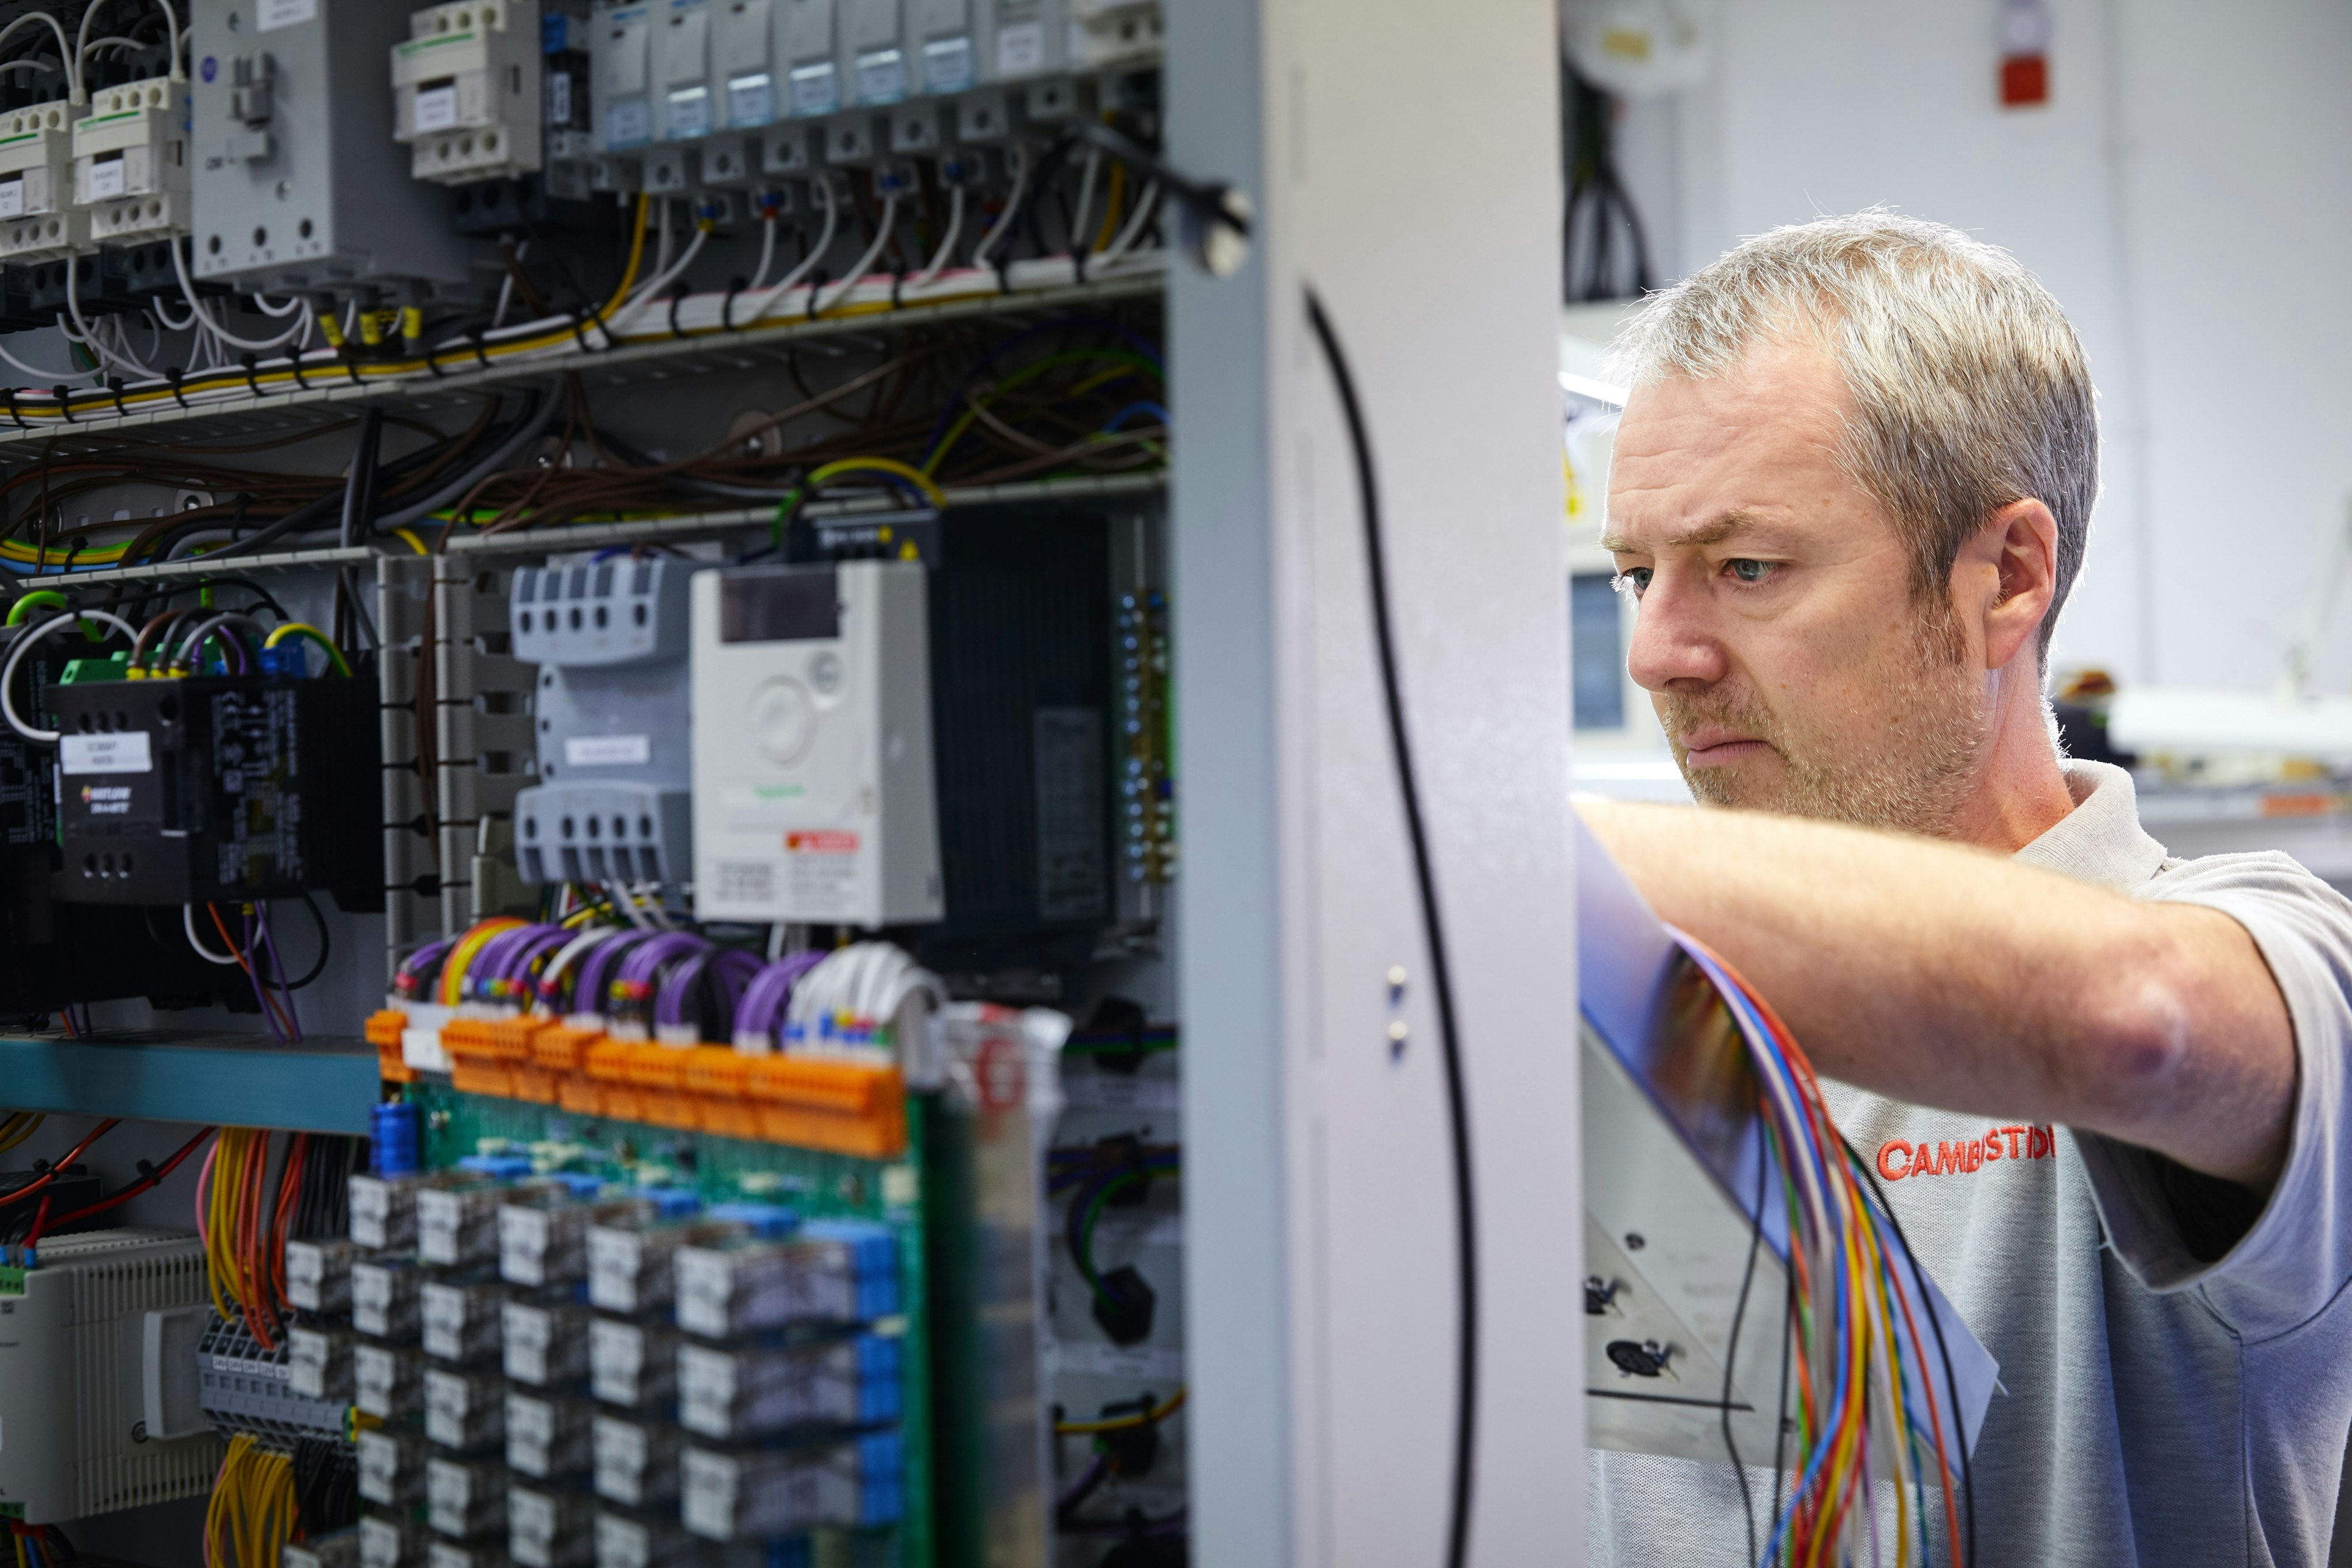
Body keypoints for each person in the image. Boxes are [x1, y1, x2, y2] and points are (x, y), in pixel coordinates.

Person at [1579, 212, 2352, 1566]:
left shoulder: (2275, 954)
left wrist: (1445, 851)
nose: (1656, 651)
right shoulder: (1615, 993)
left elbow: (2138, 1016)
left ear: (2008, 574)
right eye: (1639, 573)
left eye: (1744, 566)